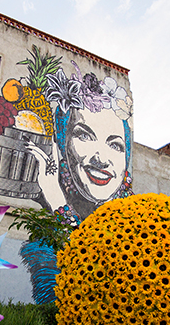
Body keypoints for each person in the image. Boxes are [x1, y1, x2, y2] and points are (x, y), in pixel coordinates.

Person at [26, 65, 132, 225]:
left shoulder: (134, 221)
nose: (101, 159)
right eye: (84, 136)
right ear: (62, 144)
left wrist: (56, 200)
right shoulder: (35, 207)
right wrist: (53, 193)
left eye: (116, 145)